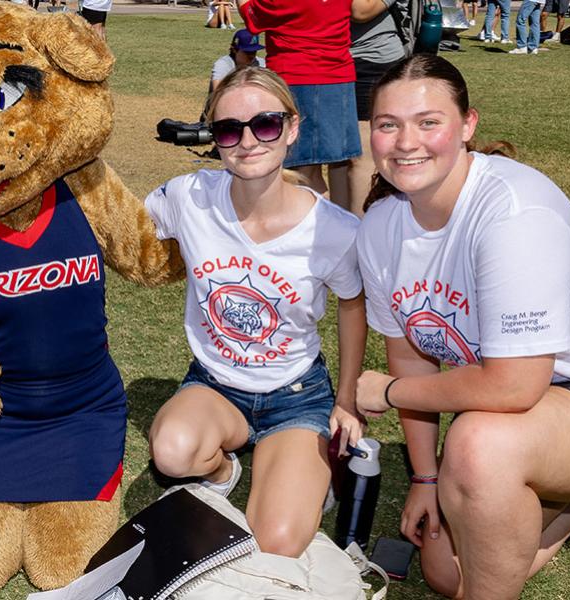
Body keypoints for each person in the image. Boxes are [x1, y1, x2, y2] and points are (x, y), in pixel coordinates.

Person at [353, 54, 570, 597]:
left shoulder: (513, 213)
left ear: (467, 126)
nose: (406, 141)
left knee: (479, 444)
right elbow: (411, 353)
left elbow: (512, 384)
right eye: (389, 124)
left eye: (428, 122)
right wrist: (424, 478)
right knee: (444, 575)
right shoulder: (383, 225)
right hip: (530, 407)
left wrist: (387, 391)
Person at [145, 66, 367, 558]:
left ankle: (303, 470)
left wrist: (346, 400)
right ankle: (225, 470)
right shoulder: (188, 197)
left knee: (278, 541)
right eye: (228, 129)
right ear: (215, 138)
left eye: (265, 124)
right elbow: (122, 230)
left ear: (291, 128)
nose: (247, 142)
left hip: (296, 395)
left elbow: (354, 305)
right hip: (215, 383)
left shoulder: (335, 229)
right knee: (172, 452)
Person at [238, 0, 361, 207]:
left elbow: (252, 15)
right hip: (338, 77)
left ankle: (318, 228)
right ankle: (345, 226)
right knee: (339, 162)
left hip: (298, 77)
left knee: (302, 170)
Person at [329, 0, 408, 216]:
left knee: (359, 156)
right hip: (326, 59)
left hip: (370, 61)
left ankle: (361, 234)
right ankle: (340, 231)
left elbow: (361, 10)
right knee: (337, 157)